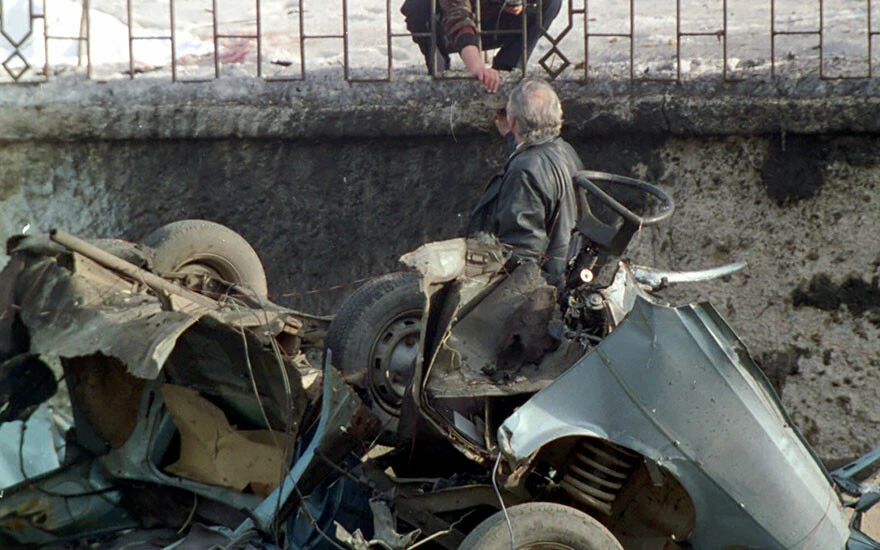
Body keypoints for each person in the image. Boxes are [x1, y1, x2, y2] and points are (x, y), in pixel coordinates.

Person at [466, 78, 584, 286]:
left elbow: (523, 251)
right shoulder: (566, 151)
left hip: (541, 289)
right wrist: (511, 131)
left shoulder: (524, 171)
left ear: (512, 120)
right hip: (568, 273)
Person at [401, 0, 563, 93]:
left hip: (498, 24)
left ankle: (509, 66)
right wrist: (478, 68)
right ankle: (440, 70)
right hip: (448, 30)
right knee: (418, 4)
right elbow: (458, 20)